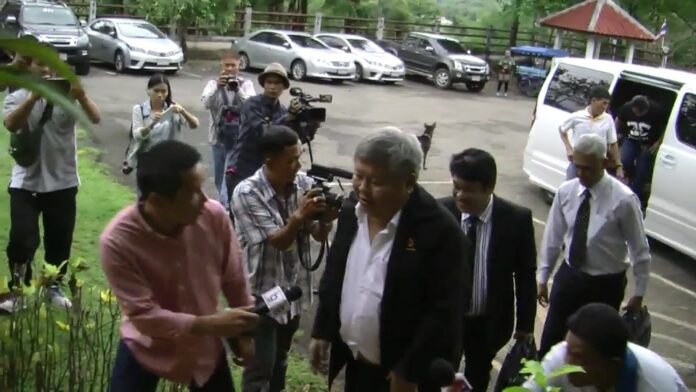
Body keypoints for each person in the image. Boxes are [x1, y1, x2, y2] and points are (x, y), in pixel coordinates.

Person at [310, 127, 470, 392]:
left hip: (403, 379)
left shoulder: (440, 233)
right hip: (357, 366)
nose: (362, 188)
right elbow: (336, 273)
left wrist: (409, 372)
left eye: (376, 181)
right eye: (358, 176)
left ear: (409, 182)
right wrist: (323, 330)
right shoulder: (352, 213)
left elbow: (444, 315)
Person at [100, 140, 259, 391]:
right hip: (146, 343)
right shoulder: (119, 241)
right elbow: (144, 316)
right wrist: (210, 325)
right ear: (159, 201)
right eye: (193, 192)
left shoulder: (213, 216)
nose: (204, 200)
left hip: (205, 345)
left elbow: (234, 277)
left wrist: (245, 332)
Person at [231, 125, 338, 392]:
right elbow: (279, 241)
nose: (298, 165)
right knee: (259, 370)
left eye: (299, 157)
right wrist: (300, 216)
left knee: (279, 361)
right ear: (270, 161)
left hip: (292, 292)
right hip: (261, 294)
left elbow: (315, 234)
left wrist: (325, 221)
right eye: (290, 160)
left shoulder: (302, 184)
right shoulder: (247, 192)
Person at [0, 47, 101, 313]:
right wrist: (34, 97)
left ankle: (53, 287)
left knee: (59, 241)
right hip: (26, 182)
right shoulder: (17, 96)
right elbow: (11, 124)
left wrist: (82, 96)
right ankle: (18, 290)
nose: (46, 70)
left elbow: (95, 117)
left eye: (50, 67)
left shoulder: (67, 98)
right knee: (22, 238)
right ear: (28, 69)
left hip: (63, 182)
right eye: (40, 65)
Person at [537, 134, 651, 357]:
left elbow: (640, 249)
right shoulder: (566, 192)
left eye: (587, 168)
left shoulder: (624, 200)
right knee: (551, 342)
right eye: (576, 166)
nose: (580, 174)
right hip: (570, 277)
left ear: (605, 163)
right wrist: (543, 277)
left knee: (595, 350)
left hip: (605, 285)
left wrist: (639, 292)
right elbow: (553, 237)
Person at [439, 148, 537, 392]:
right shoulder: (440, 213)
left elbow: (525, 275)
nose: (460, 195)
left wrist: (525, 326)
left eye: (468, 190)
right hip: (447, 319)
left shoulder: (515, 219)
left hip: (489, 323)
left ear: (489, 187)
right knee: (440, 376)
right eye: (456, 187)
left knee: (477, 379)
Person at [525, 303, 687, 392]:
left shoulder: (656, 386)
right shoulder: (561, 358)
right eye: (568, 351)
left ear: (613, 364)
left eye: (579, 358)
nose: (568, 362)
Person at [224, 63, 303, 201]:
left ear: (283, 86)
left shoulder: (283, 111)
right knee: (238, 218)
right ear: (263, 84)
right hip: (241, 171)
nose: (272, 87)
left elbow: (292, 140)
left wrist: (306, 124)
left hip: (266, 173)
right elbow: (263, 132)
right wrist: (288, 118)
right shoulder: (251, 104)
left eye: (277, 83)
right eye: (269, 82)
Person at [201, 50, 256, 208]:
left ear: (239, 65)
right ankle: (227, 204)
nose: (230, 68)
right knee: (219, 179)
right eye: (227, 65)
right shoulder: (212, 84)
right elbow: (206, 104)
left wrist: (238, 90)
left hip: (238, 139)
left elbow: (251, 107)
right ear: (221, 66)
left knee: (227, 178)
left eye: (233, 65)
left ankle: (225, 208)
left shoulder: (247, 85)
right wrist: (218, 87)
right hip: (217, 137)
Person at [124, 73, 199, 173]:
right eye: (156, 91)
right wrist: (152, 124)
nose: (160, 95)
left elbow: (194, 125)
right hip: (147, 160)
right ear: (148, 91)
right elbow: (137, 135)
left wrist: (183, 111)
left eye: (164, 91)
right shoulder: (139, 109)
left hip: (169, 160)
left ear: (168, 92)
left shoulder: (173, 109)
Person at [559, 86, 623, 180]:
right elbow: (561, 129)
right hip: (577, 163)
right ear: (593, 100)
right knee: (570, 190)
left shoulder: (608, 119)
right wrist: (569, 148)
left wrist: (618, 166)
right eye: (603, 103)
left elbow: (613, 143)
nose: (605, 107)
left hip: (597, 166)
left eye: (607, 104)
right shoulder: (577, 117)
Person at [615, 95, 665, 209]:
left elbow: (666, 127)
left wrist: (658, 142)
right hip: (631, 139)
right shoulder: (627, 107)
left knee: (642, 171)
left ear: (646, 110)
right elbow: (618, 120)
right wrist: (615, 134)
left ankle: (634, 198)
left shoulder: (657, 110)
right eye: (635, 113)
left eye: (640, 114)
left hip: (648, 143)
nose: (636, 116)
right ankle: (625, 184)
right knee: (624, 160)